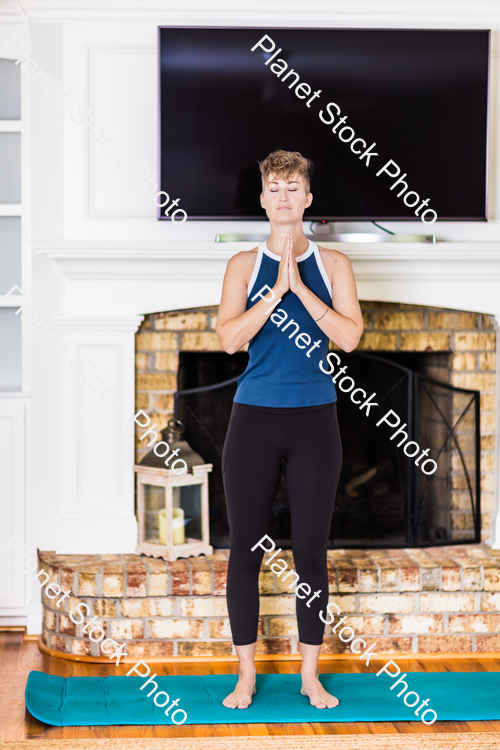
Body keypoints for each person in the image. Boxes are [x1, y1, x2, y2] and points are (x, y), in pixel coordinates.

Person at [216, 150, 363, 710]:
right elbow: (229, 339)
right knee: (245, 553)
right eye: (273, 187)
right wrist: (274, 292)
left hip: (315, 421)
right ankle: (247, 674)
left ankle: (309, 675)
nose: (283, 196)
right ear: (262, 199)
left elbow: (349, 338)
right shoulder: (242, 265)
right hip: (252, 417)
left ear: (307, 199)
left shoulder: (334, 265)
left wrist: (301, 288)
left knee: (310, 552)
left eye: (292, 187)